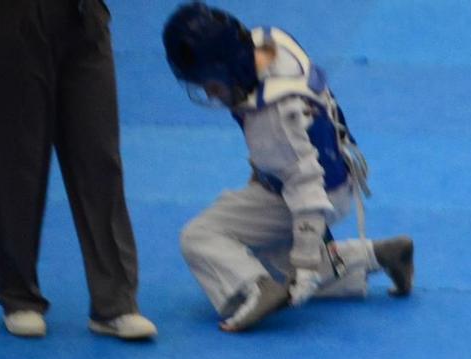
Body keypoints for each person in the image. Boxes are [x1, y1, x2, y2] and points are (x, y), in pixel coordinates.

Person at [161, 2, 412, 333]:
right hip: (333, 181)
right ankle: (378, 255)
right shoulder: (268, 45)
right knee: (276, 261)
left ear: (229, 69)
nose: (211, 93)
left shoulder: (273, 116)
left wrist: (307, 267)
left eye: (213, 84)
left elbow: (305, 187)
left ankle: (258, 288)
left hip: (310, 195)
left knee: (201, 237)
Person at [0, 0, 156, 340]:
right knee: (18, 163)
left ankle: (115, 303)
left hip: (82, 15)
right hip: (9, 19)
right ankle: (19, 296)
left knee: (99, 158)